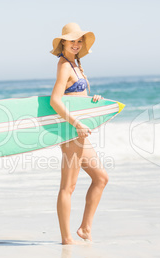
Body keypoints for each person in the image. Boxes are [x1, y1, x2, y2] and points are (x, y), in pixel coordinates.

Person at [49, 23, 109, 244]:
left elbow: (76, 98)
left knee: (101, 178)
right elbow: (55, 100)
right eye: (72, 40)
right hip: (71, 132)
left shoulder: (76, 65)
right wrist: (76, 124)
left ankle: (85, 228)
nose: (76, 44)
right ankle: (66, 238)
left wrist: (94, 102)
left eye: (79, 40)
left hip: (80, 133)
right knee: (68, 186)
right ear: (63, 42)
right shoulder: (64, 65)